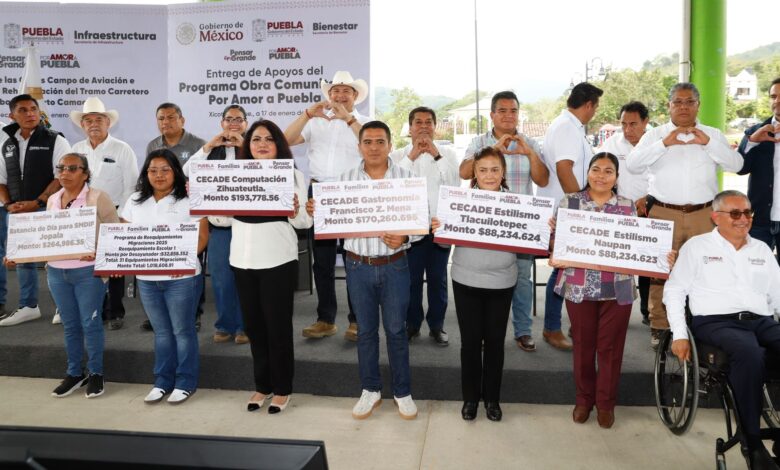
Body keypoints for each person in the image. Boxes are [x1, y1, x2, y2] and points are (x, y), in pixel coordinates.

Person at [306, 121, 419, 420]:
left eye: (380, 141)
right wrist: (317, 210)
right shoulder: (343, 181)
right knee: (366, 332)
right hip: (358, 266)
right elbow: (329, 219)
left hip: (395, 265)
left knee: (396, 331)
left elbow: (422, 223)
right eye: (367, 142)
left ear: (390, 145)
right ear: (359, 147)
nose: (374, 147)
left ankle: (402, 392)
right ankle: (370, 390)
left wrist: (406, 237)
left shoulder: (407, 180)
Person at [665, 190, 780, 470]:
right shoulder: (697, 247)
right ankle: (752, 443)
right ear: (715, 217)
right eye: (735, 213)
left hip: (760, 320)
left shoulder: (761, 249)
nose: (744, 219)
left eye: (748, 213)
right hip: (715, 322)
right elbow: (675, 290)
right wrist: (679, 334)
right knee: (749, 353)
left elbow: (777, 294)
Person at [626, 82, 743, 349]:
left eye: (689, 102)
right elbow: (632, 165)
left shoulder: (712, 134)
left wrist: (708, 144)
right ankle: (660, 327)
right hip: (663, 213)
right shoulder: (655, 135)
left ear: (698, 105)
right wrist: (664, 144)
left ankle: (703, 326)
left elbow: (737, 165)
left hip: (704, 214)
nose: (683, 107)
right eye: (677, 102)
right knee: (660, 273)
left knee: (706, 270)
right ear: (669, 106)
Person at [551, 152, 637, 429]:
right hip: (579, 286)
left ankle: (606, 404)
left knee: (611, 349)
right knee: (583, 347)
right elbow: (556, 243)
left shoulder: (627, 206)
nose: (601, 176)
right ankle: (584, 400)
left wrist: (660, 257)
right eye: (596, 169)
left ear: (617, 177)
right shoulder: (570, 202)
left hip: (618, 287)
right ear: (587, 173)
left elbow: (638, 246)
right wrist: (552, 237)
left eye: (608, 171)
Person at [458, 91, 549, 352]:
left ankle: (523, 330)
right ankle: (482, 333)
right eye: (503, 110)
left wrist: (529, 154)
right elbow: (463, 172)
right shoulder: (478, 142)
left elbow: (543, 180)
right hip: (485, 223)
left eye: (514, 111)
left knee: (522, 279)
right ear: (492, 115)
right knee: (485, 279)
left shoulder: (530, 142)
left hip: (519, 224)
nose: (509, 116)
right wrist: (493, 150)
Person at [232, 119, 311, 414]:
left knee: (277, 329)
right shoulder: (234, 175)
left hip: (278, 260)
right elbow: (220, 220)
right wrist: (205, 197)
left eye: (268, 139)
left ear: (278, 144)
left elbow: (304, 222)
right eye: (256, 139)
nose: (262, 144)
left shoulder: (292, 175)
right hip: (242, 260)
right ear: (248, 145)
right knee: (254, 327)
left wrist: (295, 210)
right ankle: (262, 386)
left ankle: (282, 389)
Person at [285, 70, 370, 342]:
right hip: (319, 192)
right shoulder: (315, 122)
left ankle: (357, 320)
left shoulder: (365, 122)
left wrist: (349, 119)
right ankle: (325, 319)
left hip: (351, 193)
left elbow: (371, 147)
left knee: (355, 258)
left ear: (356, 96)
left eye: (346, 91)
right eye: (335, 91)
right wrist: (307, 114)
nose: (340, 95)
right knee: (322, 262)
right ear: (329, 95)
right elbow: (286, 140)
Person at [434, 147, 517, 421]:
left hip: (502, 282)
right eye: (483, 170)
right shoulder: (458, 202)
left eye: (495, 170)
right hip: (466, 280)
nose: (489, 175)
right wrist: (439, 229)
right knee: (469, 343)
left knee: (495, 343)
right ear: (474, 173)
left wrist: (543, 230)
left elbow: (530, 245)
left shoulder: (519, 206)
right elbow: (443, 245)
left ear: (503, 172)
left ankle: (492, 399)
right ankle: (470, 398)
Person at [122, 149, 208, 405]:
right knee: (161, 332)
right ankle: (162, 381)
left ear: (176, 172)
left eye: (165, 170)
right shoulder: (135, 199)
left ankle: (185, 382)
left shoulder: (190, 198)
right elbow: (124, 236)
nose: (158, 175)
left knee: (182, 331)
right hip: (147, 279)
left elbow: (202, 237)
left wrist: (179, 260)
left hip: (182, 277)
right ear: (145, 173)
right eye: (153, 170)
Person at [39, 153, 118, 398]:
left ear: (85, 174)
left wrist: (98, 252)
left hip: (88, 272)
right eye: (61, 168)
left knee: (90, 324)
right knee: (70, 325)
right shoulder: (53, 199)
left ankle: (96, 373)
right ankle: (74, 373)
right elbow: (45, 236)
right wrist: (20, 254)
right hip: (56, 271)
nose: (65, 173)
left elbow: (114, 232)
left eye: (72, 168)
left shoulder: (98, 197)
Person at [537, 82, 603, 351]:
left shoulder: (568, 126)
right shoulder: (566, 127)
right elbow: (565, 169)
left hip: (568, 208)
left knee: (575, 268)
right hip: (568, 210)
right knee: (563, 270)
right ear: (588, 105)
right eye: (595, 107)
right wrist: (581, 208)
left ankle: (575, 325)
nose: (594, 112)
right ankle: (551, 327)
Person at [389, 107, 459, 346]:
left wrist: (436, 154)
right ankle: (412, 324)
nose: (424, 126)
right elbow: (394, 183)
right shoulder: (398, 156)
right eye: (418, 122)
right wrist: (412, 156)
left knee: (438, 279)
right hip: (410, 230)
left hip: (439, 227)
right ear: (410, 128)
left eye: (429, 122)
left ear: (435, 127)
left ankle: (437, 326)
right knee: (411, 280)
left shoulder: (448, 154)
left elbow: (454, 183)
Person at [0, 94, 71, 326]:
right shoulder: (6, 144)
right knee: (24, 260)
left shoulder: (55, 139)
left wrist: (38, 202)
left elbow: (62, 176)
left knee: (56, 260)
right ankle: (29, 306)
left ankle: (63, 307)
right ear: (12, 116)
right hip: (17, 211)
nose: (30, 114)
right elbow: (1, 180)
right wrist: (9, 205)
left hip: (47, 208)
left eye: (33, 109)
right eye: (23, 110)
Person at [70, 97, 138, 331]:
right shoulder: (76, 150)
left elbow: (131, 186)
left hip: (114, 213)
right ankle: (95, 309)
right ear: (82, 125)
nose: (93, 124)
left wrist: (123, 218)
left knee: (114, 265)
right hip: (83, 216)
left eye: (98, 119)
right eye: (88, 120)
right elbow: (69, 184)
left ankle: (115, 311)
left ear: (108, 122)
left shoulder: (122, 149)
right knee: (88, 264)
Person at [183, 105, 248, 345]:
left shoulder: (254, 148)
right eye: (229, 119)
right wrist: (209, 145)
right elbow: (186, 171)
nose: (233, 123)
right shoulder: (211, 151)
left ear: (246, 124)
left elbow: (266, 169)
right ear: (221, 123)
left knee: (245, 278)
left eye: (239, 119)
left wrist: (244, 145)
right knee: (221, 279)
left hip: (247, 226)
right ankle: (225, 324)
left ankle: (244, 326)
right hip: (220, 227)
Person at [145, 102, 206, 332]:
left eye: (171, 117)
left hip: (188, 210)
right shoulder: (153, 145)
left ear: (182, 120)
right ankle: (158, 313)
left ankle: (194, 312)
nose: (166, 122)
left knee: (192, 262)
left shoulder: (197, 144)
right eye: (161, 118)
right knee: (159, 257)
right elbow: (149, 176)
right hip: (161, 209)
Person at [598, 101, 651, 325]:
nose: (628, 129)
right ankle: (613, 312)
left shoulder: (656, 143)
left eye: (633, 124)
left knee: (648, 264)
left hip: (650, 211)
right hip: (618, 214)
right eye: (623, 124)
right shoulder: (611, 144)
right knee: (617, 264)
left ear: (645, 122)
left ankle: (648, 312)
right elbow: (599, 175)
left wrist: (649, 198)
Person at [737, 77, 780, 261]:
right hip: (760, 219)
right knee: (754, 270)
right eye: (773, 96)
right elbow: (740, 168)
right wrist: (753, 141)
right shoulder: (756, 131)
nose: (777, 101)